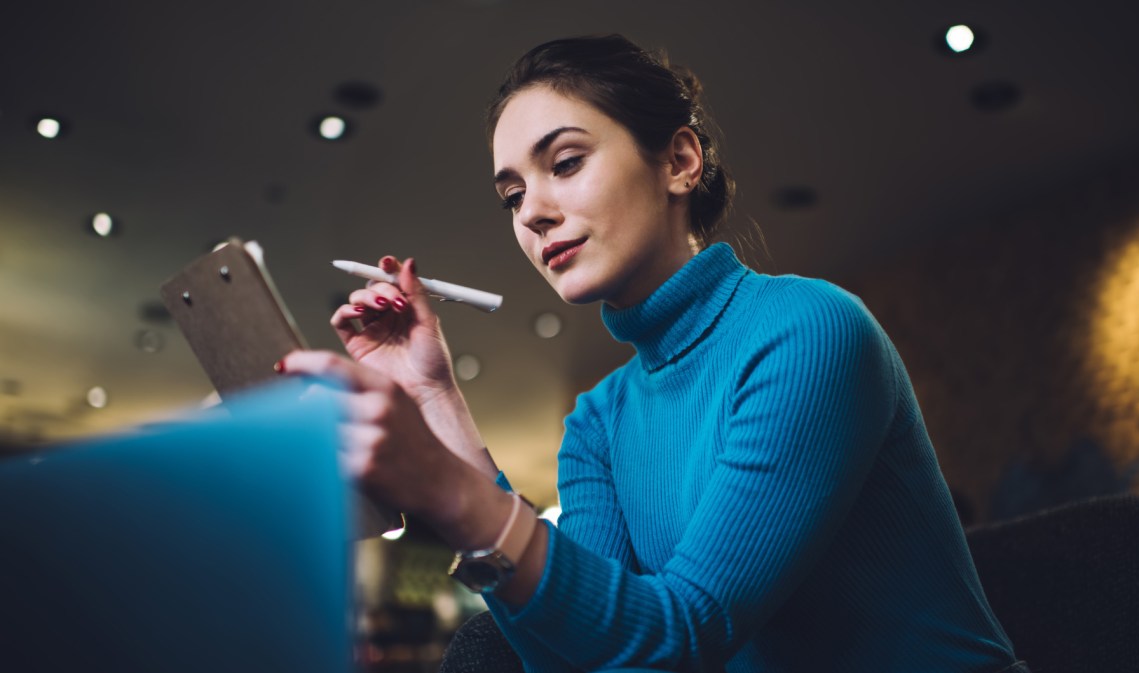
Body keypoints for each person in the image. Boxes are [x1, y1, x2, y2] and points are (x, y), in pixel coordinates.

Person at [280, 35, 1028, 673]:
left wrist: (450, 492)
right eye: (512, 195)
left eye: (564, 162)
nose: (533, 210)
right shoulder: (598, 420)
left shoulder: (809, 330)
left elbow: (680, 633)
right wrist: (436, 399)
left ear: (678, 161)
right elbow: (578, 654)